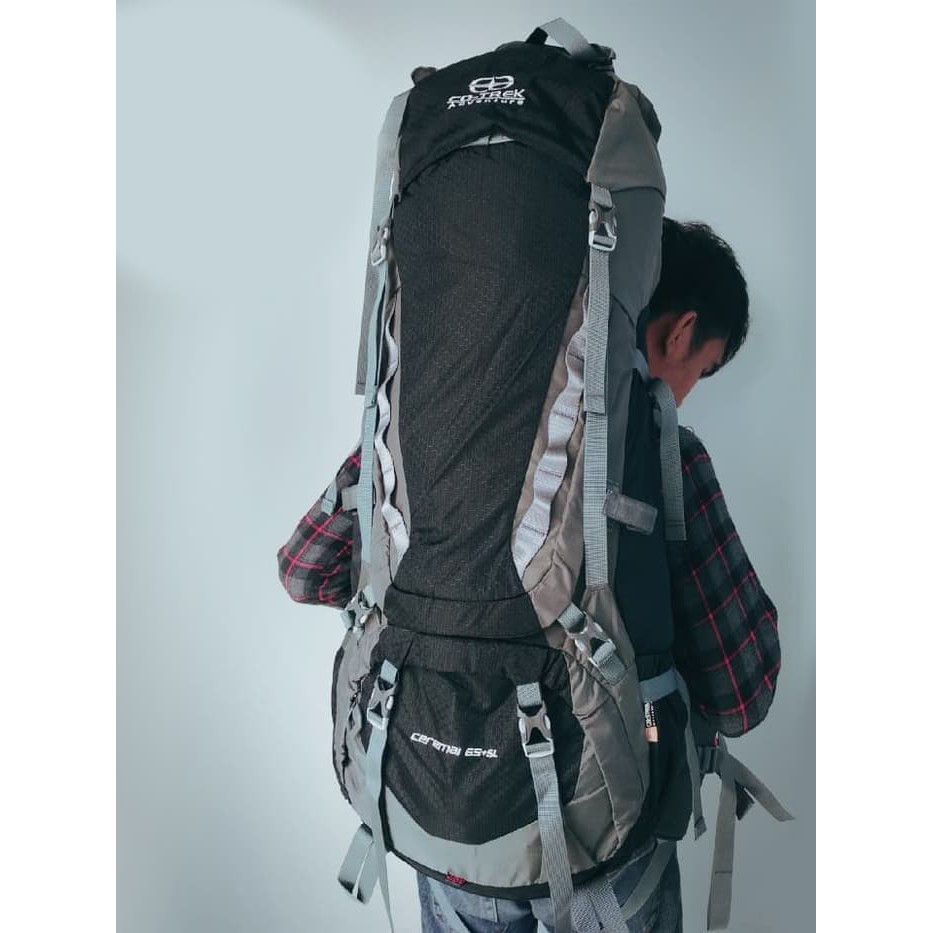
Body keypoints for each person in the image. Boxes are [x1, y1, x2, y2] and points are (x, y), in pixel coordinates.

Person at [277, 218, 781, 932]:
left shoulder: (429, 435)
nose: (689, 390)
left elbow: (305, 572)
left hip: (442, 819)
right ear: (681, 333)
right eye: (702, 369)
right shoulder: (665, 452)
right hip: (603, 845)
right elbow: (740, 695)